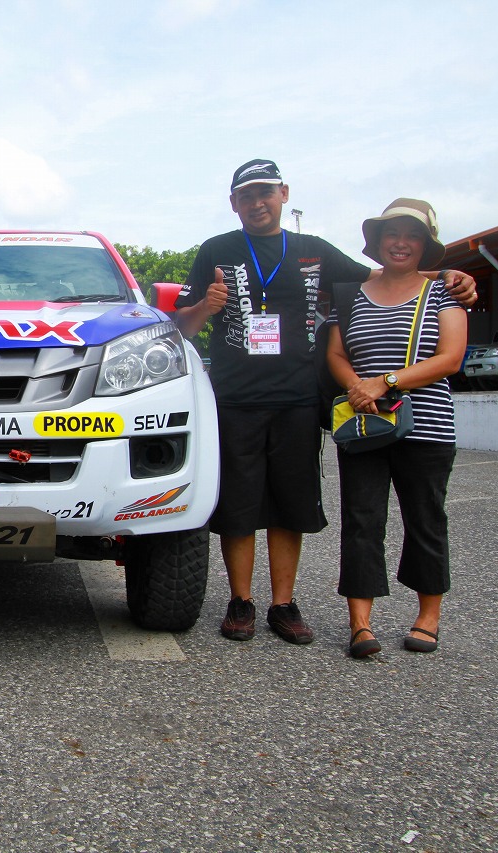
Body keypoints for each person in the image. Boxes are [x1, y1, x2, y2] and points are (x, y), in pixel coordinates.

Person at [175, 159, 476, 645]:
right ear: (233, 203)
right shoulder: (216, 250)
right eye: (246, 196)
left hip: (298, 398)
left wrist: (448, 275)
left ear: (284, 194)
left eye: (265, 193)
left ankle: (283, 604)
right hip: (233, 399)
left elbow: (384, 275)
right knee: (239, 505)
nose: (257, 203)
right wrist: (204, 308)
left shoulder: (313, 250)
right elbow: (183, 327)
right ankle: (240, 601)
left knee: (290, 505)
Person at [325, 200, 465, 658]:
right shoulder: (350, 295)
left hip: (427, 427)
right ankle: (360, 623)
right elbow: (336, 354)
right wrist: (357, 388)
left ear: (425, 246)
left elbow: (450, 358)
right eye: (392, 233)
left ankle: (428, 618)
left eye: (412, 235)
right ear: (377, 240)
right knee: (361, 521)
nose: (401, 243)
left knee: (426, 520)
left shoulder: (444, 293)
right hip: (364, 425)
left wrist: (384, 382)